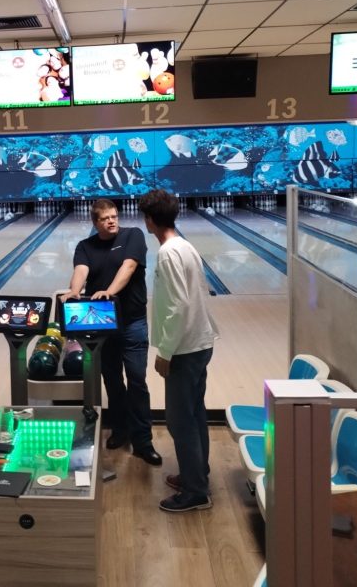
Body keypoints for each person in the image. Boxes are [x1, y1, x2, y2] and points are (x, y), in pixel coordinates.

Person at [62, 198, 160, 465]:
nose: (111, 221)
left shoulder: (133, 236)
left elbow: (129, 267)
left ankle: (143, 441)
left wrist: (109, 291)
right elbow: (81, 270)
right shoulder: (85, 246)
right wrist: (74, 291)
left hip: (132, 323)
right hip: (103, 326)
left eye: (114, 216)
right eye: (105, 218)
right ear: (96, 222)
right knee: (113, 382)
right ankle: (120, 429)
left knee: (137, 380)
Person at [139, 189, 218, 512]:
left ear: (149, 220)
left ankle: (195, 492)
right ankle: (196, 473)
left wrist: (165, 352)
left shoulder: (168, 253)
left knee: (179, 421)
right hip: (199, 342)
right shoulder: (185, 245)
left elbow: (179, 306)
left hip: (184, 350)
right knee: (195, 414)